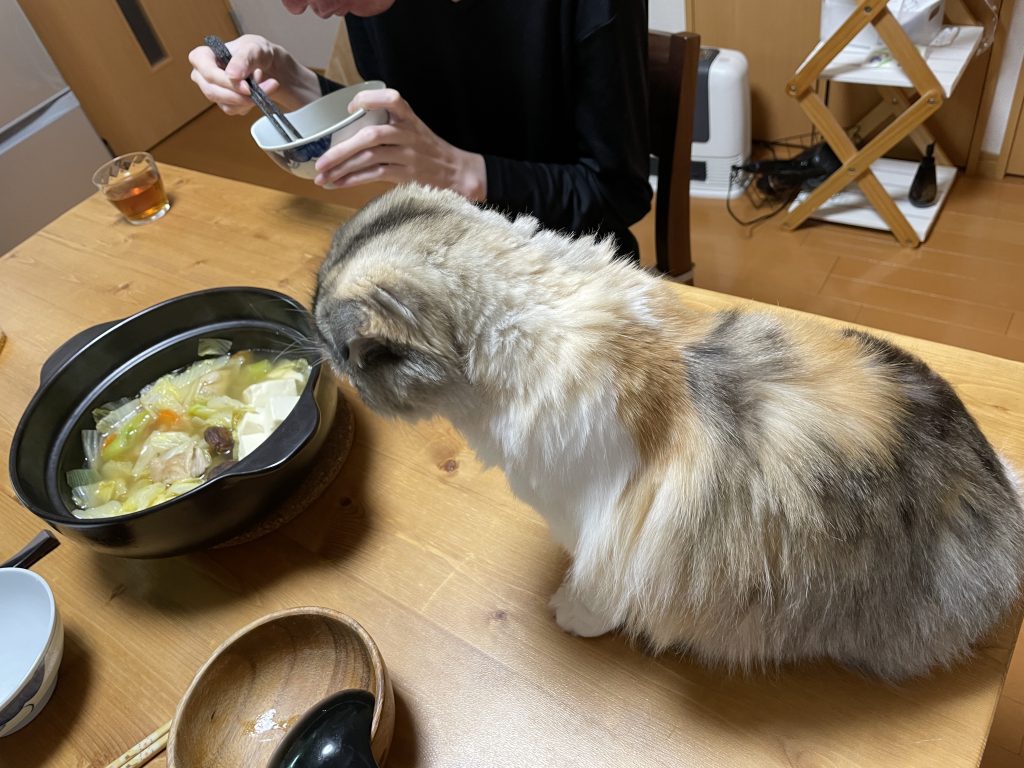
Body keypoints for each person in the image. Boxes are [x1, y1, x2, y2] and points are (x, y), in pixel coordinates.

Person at [188, 0, 651, 260]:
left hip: (570, 265)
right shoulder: (365, 6)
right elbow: (402, 126)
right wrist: (292, 79)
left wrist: (461, 173)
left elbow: (617, 195)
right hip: (450, 245)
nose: (297, 6)